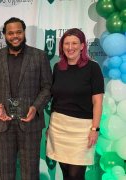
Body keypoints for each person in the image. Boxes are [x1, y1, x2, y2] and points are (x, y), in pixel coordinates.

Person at [0, 17, 52, 180]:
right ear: (5, 35)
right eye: (11, 33)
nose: (15, 36)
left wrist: (35, 108)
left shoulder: (39, 56)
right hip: (3, 122)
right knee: (6, 172)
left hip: (30, 122)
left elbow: (47, 87)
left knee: (30, 171)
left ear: (24, 32)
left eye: (19, 32)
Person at [46, 28, 104, 180]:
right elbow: (55, 99)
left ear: (82, 46)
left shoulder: (93, 68)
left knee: (75, 175)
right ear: (62, 46)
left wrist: (95, 129)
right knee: (66, 172)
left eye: (74, 43)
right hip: (58, 126)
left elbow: (97, 101)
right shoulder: (57, 68)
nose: (70, 47)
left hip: (82, 130)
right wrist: (50, 128)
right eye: (66, 43)